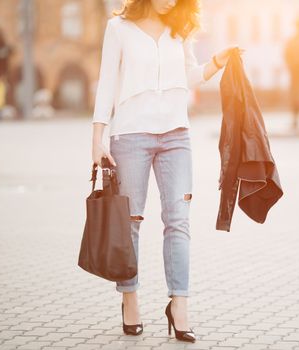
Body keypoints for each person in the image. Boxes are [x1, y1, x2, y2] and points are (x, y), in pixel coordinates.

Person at [90, 0, 242, 342]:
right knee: (130, 221)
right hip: (130, 135)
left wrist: (217, 61)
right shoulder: (118, 29)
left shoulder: (179, 28)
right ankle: (130, 299)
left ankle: (179, 306)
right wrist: (97, 139)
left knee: (178, 221)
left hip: (176, 134)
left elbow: (188, 77)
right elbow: (106, 83)